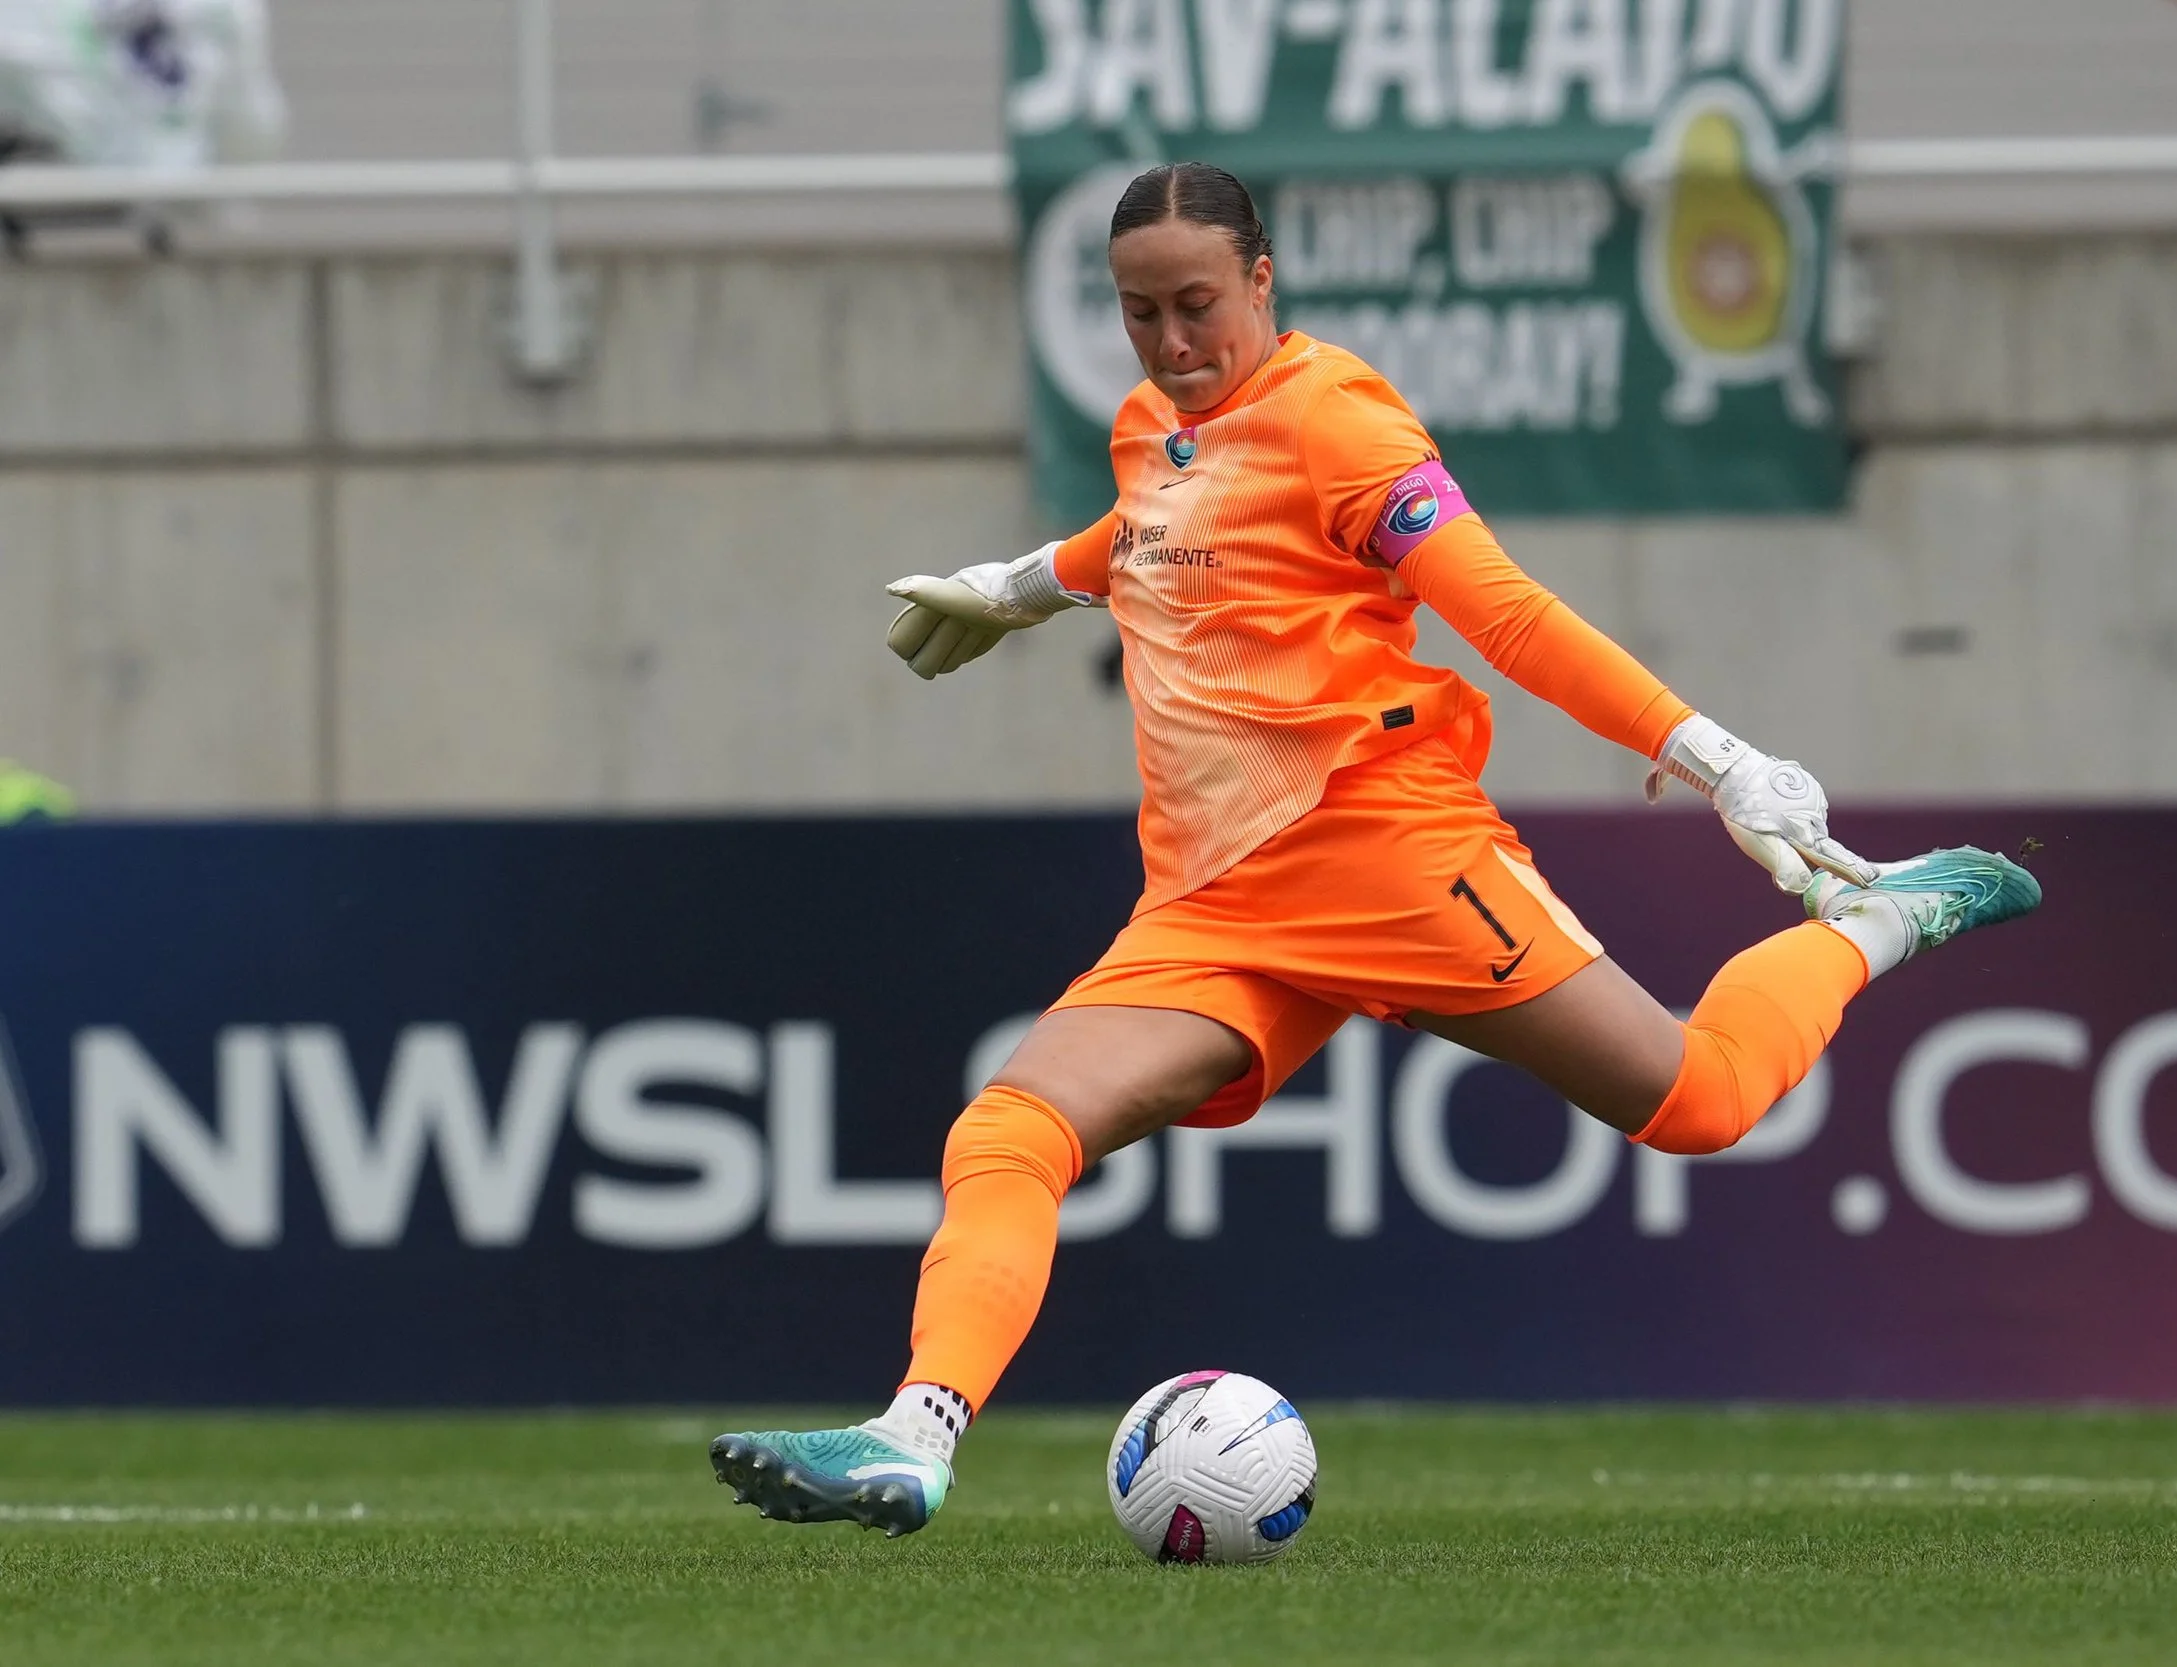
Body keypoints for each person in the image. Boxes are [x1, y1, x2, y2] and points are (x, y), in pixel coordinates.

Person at [711, 163, 2040, 1537]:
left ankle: (1887, 919)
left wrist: (1716, 759)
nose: (1173, 343)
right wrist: (1022, 586)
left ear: (1264, 282)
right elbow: (1153, 530)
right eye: (1139, 312)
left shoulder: (1336, 418)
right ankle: (911, 1439)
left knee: (1696, 1100)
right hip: (1213, 905)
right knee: (1011, 1126)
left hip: (1383, 851)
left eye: (1199, 306)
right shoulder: (1146, 425)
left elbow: (1504, 612)